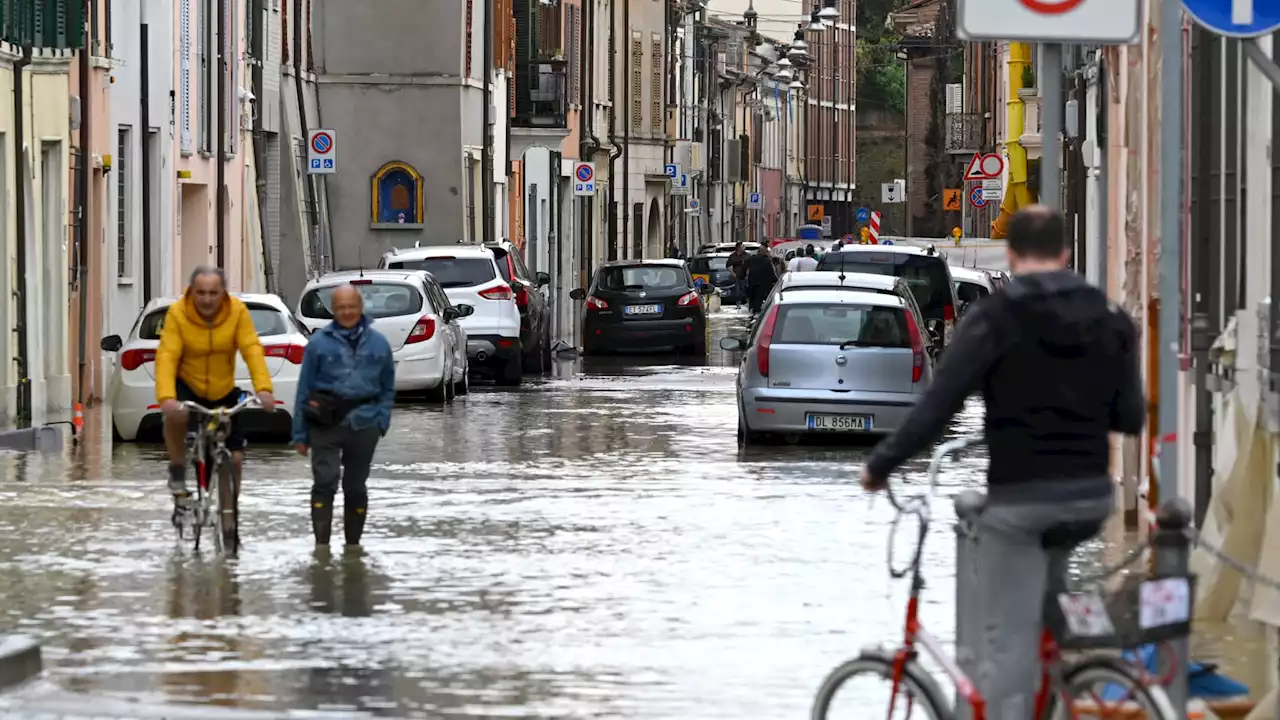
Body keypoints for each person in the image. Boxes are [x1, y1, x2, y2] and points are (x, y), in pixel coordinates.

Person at [858, 205, 1145, 720]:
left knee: (1007, 643)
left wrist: (881, 465)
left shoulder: (997, 317)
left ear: (1011, 254)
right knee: (1047, 616)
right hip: (1090, 497)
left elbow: (939, 403)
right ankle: (1065, 688)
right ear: (1066, 253)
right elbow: (1129, 417)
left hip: (1023, 498)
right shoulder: (1109, 317)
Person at [155, 266, 276, 511]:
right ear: (192, 292)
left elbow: (251, 348)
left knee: (236, 458)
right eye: (201, 293)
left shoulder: (237, 312)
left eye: (213, 293)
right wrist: (167, 398)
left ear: (223, 293)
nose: (207, 299)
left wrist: (264, 389)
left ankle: (229, 520)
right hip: (188, 384)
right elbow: (167, 355)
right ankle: (178, 469)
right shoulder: (178, 314)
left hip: (223, 390)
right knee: (175, 417)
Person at [293, 284, 397, 547]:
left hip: (366, 422)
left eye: (351, 306)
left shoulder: (379, 343)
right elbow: (304, 389)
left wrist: (382, 420)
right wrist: (300, 434)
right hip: (324, 421)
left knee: (355, 487)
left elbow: (388, 385)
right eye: (341, 307)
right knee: (325, 481)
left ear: (360, 308)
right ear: (333, 310)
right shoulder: (317, 343)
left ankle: (353, 548)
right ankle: (322, 548)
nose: (347, 312)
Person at [744, 244, 778, 314]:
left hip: (752, 283)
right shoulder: (767, 261)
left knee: (752, 299)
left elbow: (745, 268)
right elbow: (771, 273)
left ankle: (752, 310)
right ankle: (756, 312)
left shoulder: (752, 259)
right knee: (759, 301)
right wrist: (776, 280)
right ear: (764, 252)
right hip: (762, 284)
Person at [726, 242, 749, 307]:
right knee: (737, 291)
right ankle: (738, 304)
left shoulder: (747, 255)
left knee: (746, 290)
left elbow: (751, 264)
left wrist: (749, 272)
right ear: (739, 248)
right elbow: (728, 266)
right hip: (737, 276)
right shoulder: (733, 256)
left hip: (746, 276)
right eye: (743, 246)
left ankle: (747, 303)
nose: (744, 247)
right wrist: (732, 273)